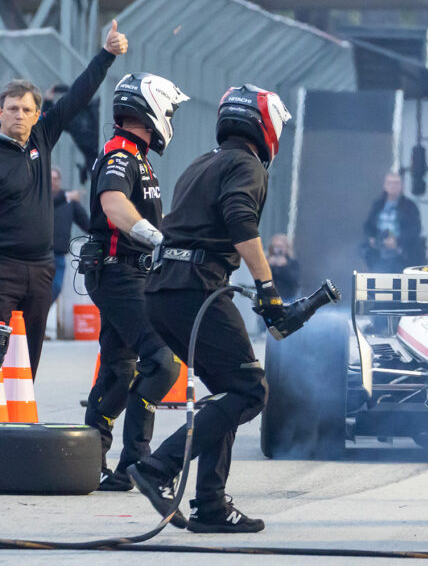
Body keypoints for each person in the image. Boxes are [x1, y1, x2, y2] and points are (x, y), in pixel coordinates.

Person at [128, 84, 291, 534]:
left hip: (164, 289)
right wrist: (268, 286)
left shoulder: (203, 162)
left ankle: (211, 504)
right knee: (250, 391)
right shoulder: (246, 165)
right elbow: (240, 219)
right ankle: (159, 468)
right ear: (267, 125)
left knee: (227, 389)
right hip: (194, 288)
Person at [0, 21, 128, 378]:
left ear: (37, 114)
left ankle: (20, 426)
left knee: (28, 363)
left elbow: (77, 97)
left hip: (40, 270)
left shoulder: (41, 137)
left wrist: (105, 56)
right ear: (0, 112)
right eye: (12, 108)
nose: (19, 115)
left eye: (27, 110)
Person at [83, 73, 190, 492]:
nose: (171, 118)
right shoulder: (121, 154)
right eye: (170, 110)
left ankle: (92, 461)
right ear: (152, 108)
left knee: (119, 365)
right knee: (163, 362)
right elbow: (113, 204)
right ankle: (138, 462)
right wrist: (155, 237)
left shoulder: (136, 155)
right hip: (118, 271)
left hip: (128, 273)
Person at [362, 172, 424, 273]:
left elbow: (415, 229)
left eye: (395, 183)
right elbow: (368, 225)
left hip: (401, 256)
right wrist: (372, 238)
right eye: (389, 183)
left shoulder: (409, 206)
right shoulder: (378, 205)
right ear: (385, 185)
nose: (392, 186)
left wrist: (398, 242)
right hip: (379, 254)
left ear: (401, 186)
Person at [51, 165, 89, 303]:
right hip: (41, 255)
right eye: (50, 178)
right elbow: (52, 201)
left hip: (59, 255)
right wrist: (67, 196)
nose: (53, 181)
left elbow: (86, 223)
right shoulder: (40, 199)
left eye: (55, 178)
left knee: (56, 288)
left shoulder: (69, 201)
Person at [266, 233, 301, 302]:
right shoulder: (267, 261)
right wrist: (269, 266)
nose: (278, 249)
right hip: (271, 299)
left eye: (280, 246)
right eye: (275, 246)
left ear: (286, 247)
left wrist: (284, 267)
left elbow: (295, 281)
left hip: (288, 298)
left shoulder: (292, 262)